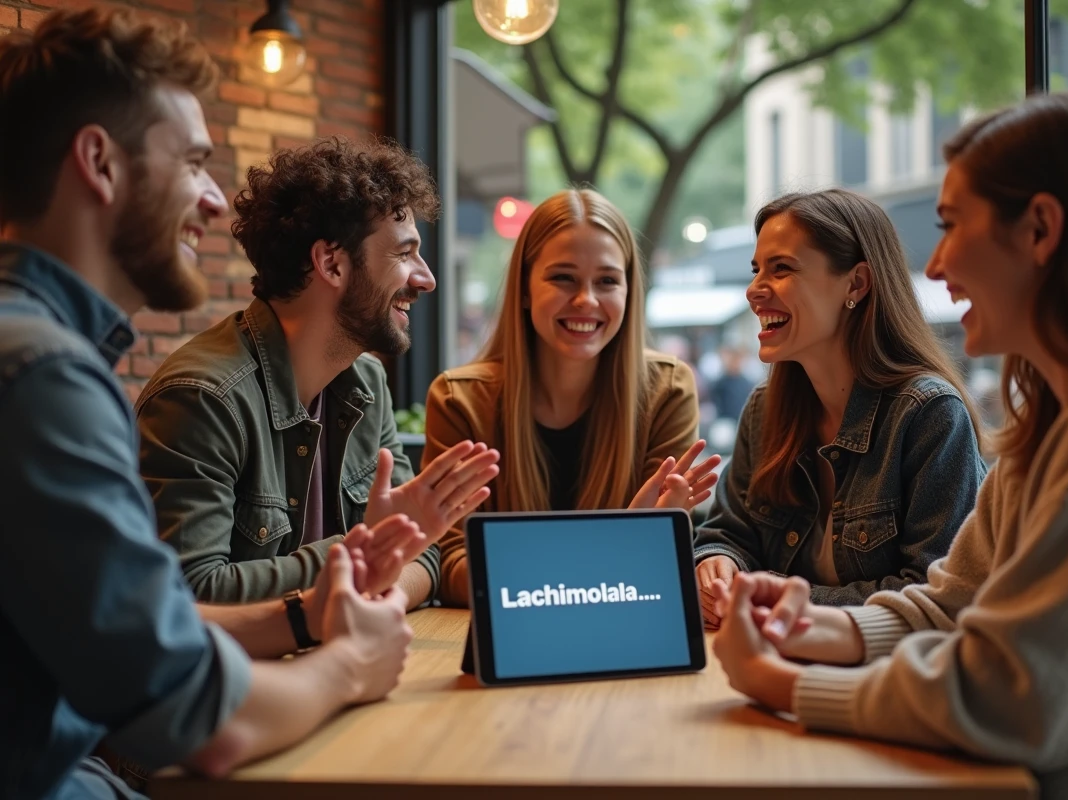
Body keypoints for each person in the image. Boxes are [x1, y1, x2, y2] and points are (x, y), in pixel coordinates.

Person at [711, 91, 1068, 798]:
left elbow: (1004, 691)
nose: (934, 266)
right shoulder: (1055, 428)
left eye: (950, 224)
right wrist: (806, 625)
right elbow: (949, 606)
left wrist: (782, 682)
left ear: (1039, 229)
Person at [0, 9, 423, 799]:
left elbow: (143, 631)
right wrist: (347, 667)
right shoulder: (44, 376)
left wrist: (305, 616)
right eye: (193, 161)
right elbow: (193, 718)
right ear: (99, 162)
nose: (214, 200)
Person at [135, 136, 500, 610]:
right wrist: (362, 557)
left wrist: (379, 584)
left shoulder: (367, 384)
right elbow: (190, 597)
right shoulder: (201, 399)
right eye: (404, 254)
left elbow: (424, 551)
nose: (426, 277)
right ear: (331, 263)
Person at [693, 189, 986, 626]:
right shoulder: (764, 408)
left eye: (782, 268)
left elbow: (932, 595)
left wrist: (778, 596)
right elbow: (728, 534)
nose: (754, 290)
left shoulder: (928, 414)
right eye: (756, 270)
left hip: (880, 681)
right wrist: (717, 564)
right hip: (765, 662)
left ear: (857, 284)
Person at [423, 188, 720, 606]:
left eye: (607, 281)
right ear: (525, 289)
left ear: (629, 291)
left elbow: (656, 565)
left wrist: (528, 570)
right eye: (563, 278)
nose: (586, 300)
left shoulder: (667, 391)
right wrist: (621, 545)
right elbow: (450, 564)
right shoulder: (460, 399)